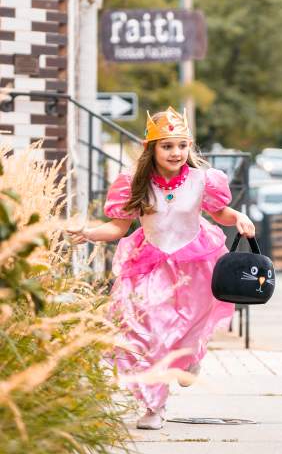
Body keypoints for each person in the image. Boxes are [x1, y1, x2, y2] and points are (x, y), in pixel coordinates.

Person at [67, 106, 254, 430]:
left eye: (182, 145)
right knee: (146, 332)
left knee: (186, 333)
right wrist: (87, 233)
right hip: (149, 266)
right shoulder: (134, 185)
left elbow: (219, 212)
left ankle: (191, 358)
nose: (176, 152)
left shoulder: (201, 180)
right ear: (151, 149)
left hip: (195, 265)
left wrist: (238, 217)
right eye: (167, 146)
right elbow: (116, 228)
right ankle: (154, 406)